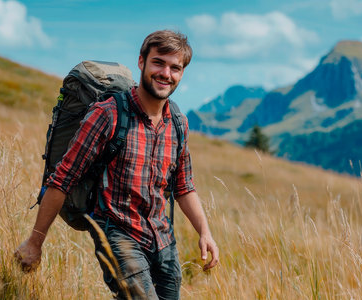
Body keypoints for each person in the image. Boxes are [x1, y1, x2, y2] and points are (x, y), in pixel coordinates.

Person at [14, 30, 219, 299]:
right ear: (141, 62)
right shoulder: (109, 113)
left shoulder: (178, 122)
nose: (166, 74)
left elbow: (183, 187)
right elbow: (62, 179)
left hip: (162, 238)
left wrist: (205, 233)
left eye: (175, 68)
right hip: (118, 234)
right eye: (158, 62)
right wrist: (34, 242)